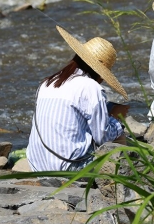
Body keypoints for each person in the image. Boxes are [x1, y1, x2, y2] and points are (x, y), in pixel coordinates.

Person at [27, 25, 129, 172]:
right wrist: (117, 121)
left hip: (37, 166)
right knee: (118, 138)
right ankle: (121, 183)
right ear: (100, 72)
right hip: (68, 168)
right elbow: (103, 138)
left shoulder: (48, 82)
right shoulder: (90, 87)